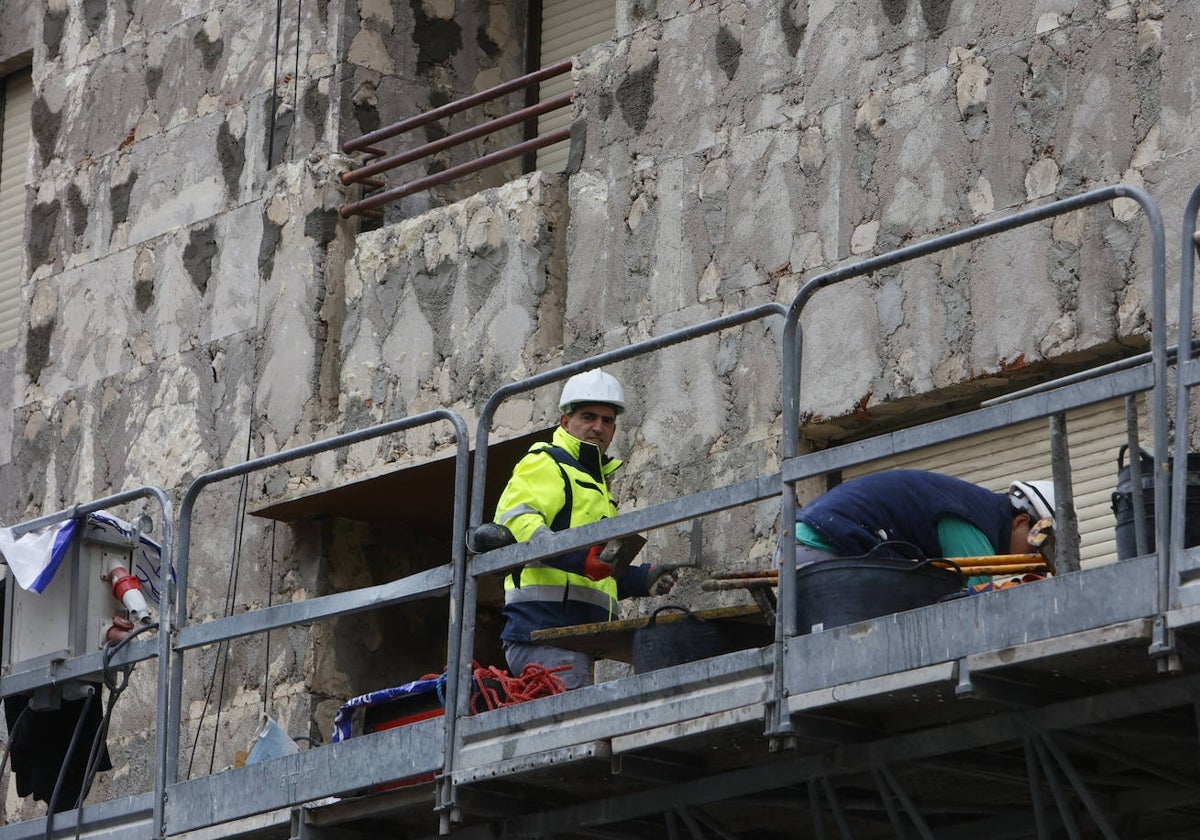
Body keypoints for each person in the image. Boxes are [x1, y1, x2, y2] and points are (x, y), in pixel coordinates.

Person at [493, 369, 679, 689]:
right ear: (565, 422)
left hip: (577, 638)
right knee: (574, 734)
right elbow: (519, 523)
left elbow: (594, 573)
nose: (598, 427)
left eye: (607, 420)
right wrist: (581, 559)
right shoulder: (546, 462)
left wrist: (641, 578)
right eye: (588, 417)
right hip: (544, 634)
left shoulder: (596, 484)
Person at [793, 469, 1056, 568]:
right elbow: (970, 610)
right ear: (1021, 520)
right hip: (823, 551)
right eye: (1035, 545)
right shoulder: (977, 532)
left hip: (802, 548)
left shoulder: (974, 508)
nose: (1033, 558)